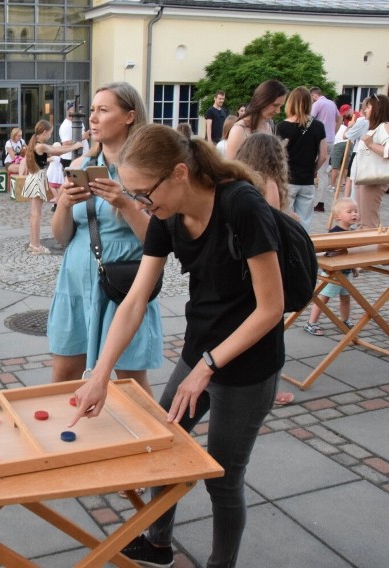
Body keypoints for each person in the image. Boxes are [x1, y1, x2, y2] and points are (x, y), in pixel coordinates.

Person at [70, 124, 285, 568]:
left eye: (144, 194)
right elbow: (132, 303)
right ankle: (158, 542)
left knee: (222, 477)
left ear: (180, 173)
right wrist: (101, 375)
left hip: (248, 364)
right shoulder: (166, 218)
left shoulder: (241, 205)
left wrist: (207, 367)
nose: (141, 205)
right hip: (200, 351)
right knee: (163, 448)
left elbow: (271, 309)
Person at [49, 82, 161, 399]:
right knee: (64, 373)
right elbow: (61, 237)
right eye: (93, 110)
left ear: (129, 116)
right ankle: (57, 441)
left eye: (104, 110)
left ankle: (150, 443)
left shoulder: (146, 169)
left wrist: (125, 203)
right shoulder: (80, 165)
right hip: (76, 282)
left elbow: (157, 240)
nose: (93, 118)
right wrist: (65, 205)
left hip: (123, 284)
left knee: (131, 380)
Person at [234, 132, 296, 406]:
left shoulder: (240, 181)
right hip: (266, 262)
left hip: (241, 266)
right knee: (271, 327)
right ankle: (271, 387)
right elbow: (272, 225)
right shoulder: (268, 183)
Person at [22, 120, 83, 254]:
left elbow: (57, 149)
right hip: (38, 177)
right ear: (43, 132)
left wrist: (75, 142)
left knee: (34, 214)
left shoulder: (35, 144)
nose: (50, 136)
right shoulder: (40, 146)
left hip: (34, 177)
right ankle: (36, 245)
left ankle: (33, 244)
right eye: (49, 133)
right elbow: (58, 151)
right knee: (36, 214)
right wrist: (76, 146)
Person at [304, 198, 360, 337]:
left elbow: (349, 253)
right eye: (350, 211)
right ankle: (311, 322)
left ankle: (345, 320)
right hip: (332, 273)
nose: (354, 214)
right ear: (338, 216)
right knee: (323, 298)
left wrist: (353, 266)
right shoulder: (334, 233)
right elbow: (327, 252)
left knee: (346, 298)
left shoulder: (352, 232)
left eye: (356, 211)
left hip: (345, 272)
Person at [275, 86, 327, 229]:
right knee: (304, 222)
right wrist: (313, 169)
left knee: (286, 220)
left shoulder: (282, 127)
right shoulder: (318, 126)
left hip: (288, 179)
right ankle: (303, 248)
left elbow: (278, 154)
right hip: (307, 180)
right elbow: (323, 155)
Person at [226, 80, 288, 160]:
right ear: (262, 100)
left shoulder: (268, 126)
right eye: (275, 105)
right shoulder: (239, 130)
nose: (278, 111)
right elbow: (232, 168)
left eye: (280, 106)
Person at [352, 94, 389, 229]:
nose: (365, 110)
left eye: (368, 107)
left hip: (374, 179)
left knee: (368, 222)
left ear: (377, 109)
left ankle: (369, 248)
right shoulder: (375, 128)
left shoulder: (384, 126)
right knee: (362, 220)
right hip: (365, 178)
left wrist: (371, 144)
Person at [310, 87, 341, 213]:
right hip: (330, 140)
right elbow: (339, 118)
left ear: (313, 96)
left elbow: (309, 120)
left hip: (318, 140)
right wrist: (334, 132)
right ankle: (320, 202)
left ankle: (310, 199)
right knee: (323, 173)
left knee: (311, 170)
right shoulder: (332, 104)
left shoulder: (318, 104)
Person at [329, 104, 355, 199]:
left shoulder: (345, 119)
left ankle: (333, 185)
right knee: (345, 166)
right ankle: (342, 183)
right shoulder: (351, 118)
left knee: (336, 166)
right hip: (347, 142)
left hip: (341, 142)